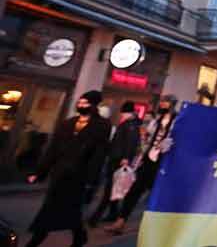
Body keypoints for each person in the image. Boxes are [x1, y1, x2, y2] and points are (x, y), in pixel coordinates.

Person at [25, 90, 111, 247]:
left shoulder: (102, 126)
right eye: (80, 102)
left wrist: (91, 181)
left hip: (79, 176)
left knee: (70, 210)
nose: (81, 105)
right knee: (51, 208)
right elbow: (52, 149)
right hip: (59, 174)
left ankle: (77, 236)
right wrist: (39, 171)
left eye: (85, 103)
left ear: (94, 105)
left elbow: (98, 155)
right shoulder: (67, 123)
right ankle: (40, 238)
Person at [106, 95, 177, 235]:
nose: (162, 104)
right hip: (148, 160)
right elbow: (145, 138)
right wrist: (141, 153)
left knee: (158, 195)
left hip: (164, 163)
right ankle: (120, 221)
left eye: (166, 102)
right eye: (162, 102)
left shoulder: (178, 122)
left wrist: (171, 143)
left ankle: (159, 227)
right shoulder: (156, 120)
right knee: (134, 191)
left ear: (172, 105)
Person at [88, 101, 141, 227]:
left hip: (118, 160)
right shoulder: (129, 124)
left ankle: (95, 218)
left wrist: (126, 158)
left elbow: (130, 143)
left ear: (128, 113)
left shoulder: (130, 126)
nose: (122, 115)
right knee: (112, 189)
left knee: (109, 190)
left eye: (123, 113)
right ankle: (113, 213)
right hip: (116, 159)